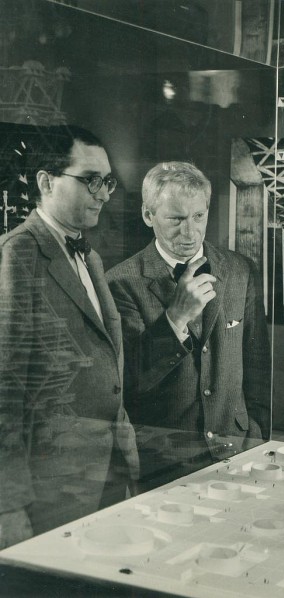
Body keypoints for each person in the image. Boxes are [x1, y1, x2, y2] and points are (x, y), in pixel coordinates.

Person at [0, 125, 139, 549]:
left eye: (108, 181)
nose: (103, 193)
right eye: (90, 180)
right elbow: (4, 387)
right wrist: (7, 504)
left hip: (106, 470)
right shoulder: (16, 254)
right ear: (46, 182)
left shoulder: (90, 256)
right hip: (48, 488)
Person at [106, 162, 270, 485]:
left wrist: (258, 440)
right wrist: (175, 318)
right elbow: (129, 385)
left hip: (238, 454)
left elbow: (258, 370)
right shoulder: (119, 283)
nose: (190, 232)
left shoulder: (240, 271)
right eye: (176, 219)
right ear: (148, 216)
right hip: (164, 464)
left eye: (199, 216)